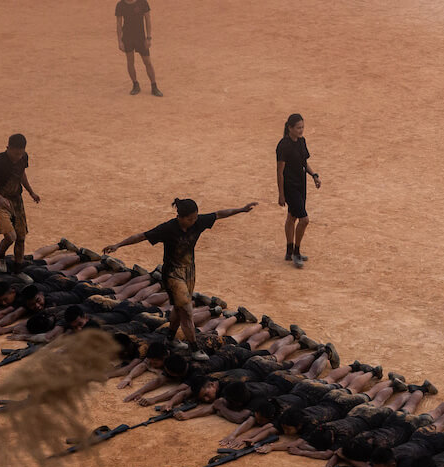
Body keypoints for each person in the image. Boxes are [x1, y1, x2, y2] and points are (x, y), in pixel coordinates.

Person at [103, 197, 257, 345]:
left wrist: (241, 210)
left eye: (195, 217)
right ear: (180, 217)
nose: (194, 221)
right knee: (187, 310)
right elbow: (142, 236)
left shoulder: (198, 222)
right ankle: (194, 347)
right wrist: (118, 245)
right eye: (190, 219)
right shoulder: (168, 228)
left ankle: (170, 336)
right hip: (172, 273)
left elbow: (219, 214)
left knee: (179, 307)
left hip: (189, 271)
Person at [0, 134, 41, 270]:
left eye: (20, 154)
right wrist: (0, 198)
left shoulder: (23, 157)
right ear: (8, 148)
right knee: (11, 236)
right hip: (1, 203)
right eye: (16, 154)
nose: (18, 157)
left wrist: (31, 192)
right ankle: (0, 256)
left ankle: (18, 270)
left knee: (21, 238)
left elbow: (21, 174)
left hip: (17, 201)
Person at [276, 113, 320, 268]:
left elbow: (304, 163)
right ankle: (296, 252)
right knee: (304, 220)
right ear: (290, 128)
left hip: (301, 185)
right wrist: (281, 194)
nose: (301, 130)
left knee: (292, 216)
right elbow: (279, 172)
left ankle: (289, 251)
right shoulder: (283, 146)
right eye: (298, 127)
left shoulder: (302, 141)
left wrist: (314, 174)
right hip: (290, 187)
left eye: (302, 127)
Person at [115, 0, 161, 96]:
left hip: (141, 38)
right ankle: (135, 84)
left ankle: (154, 86)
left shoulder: (142, 3)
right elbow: (119, 25)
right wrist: (120, 41)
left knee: (148, 62)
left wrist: (149, 37)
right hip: (128, 38)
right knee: (130, 62)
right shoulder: (120, 5)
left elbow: (148, 20)